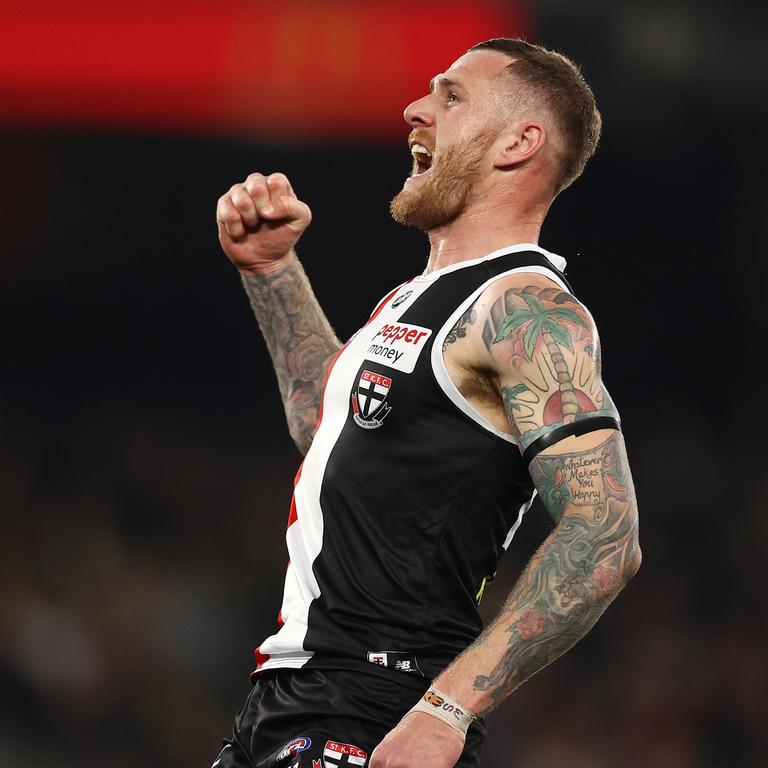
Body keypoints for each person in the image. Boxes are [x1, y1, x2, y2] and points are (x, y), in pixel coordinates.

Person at [213, 38, 641, 768]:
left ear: (519, 142)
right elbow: (336, 433)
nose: (415, 109)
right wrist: (274, 272)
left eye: (450, 97)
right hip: (290, 700)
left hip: (376, 704)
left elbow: (607, 533)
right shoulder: (414, 301)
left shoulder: (527, 309)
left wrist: (446, 708)